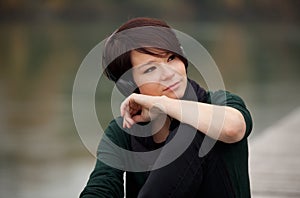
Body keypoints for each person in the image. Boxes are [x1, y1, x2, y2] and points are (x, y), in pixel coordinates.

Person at [80, 17, 252, 198]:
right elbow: (101, 187)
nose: (169, 73)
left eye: (171, 58)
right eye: (150, 70)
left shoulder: (219, 103)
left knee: (193, 129)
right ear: (130, 86)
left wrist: (161, 104)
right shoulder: (123, 130)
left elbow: (234, 128)